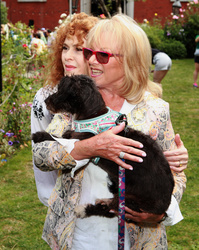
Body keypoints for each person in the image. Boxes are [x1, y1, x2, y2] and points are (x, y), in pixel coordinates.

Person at [33, 14, 187, 249]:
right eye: (89, 52)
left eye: (102, 55)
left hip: (138, 240)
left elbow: (175, 175)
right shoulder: (77, 102)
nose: (92, 61)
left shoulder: (156, 110)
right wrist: (88, 148)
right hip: (78, 236)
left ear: (131, 61)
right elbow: (42, 154)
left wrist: (160, 212)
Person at [31, 13, 99, 207]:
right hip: (64, 203)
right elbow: (40, 150)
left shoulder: (109, 94)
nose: (67, 56)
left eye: (78, 49)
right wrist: (54, 201)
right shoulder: (46, 97)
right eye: (65, 47)